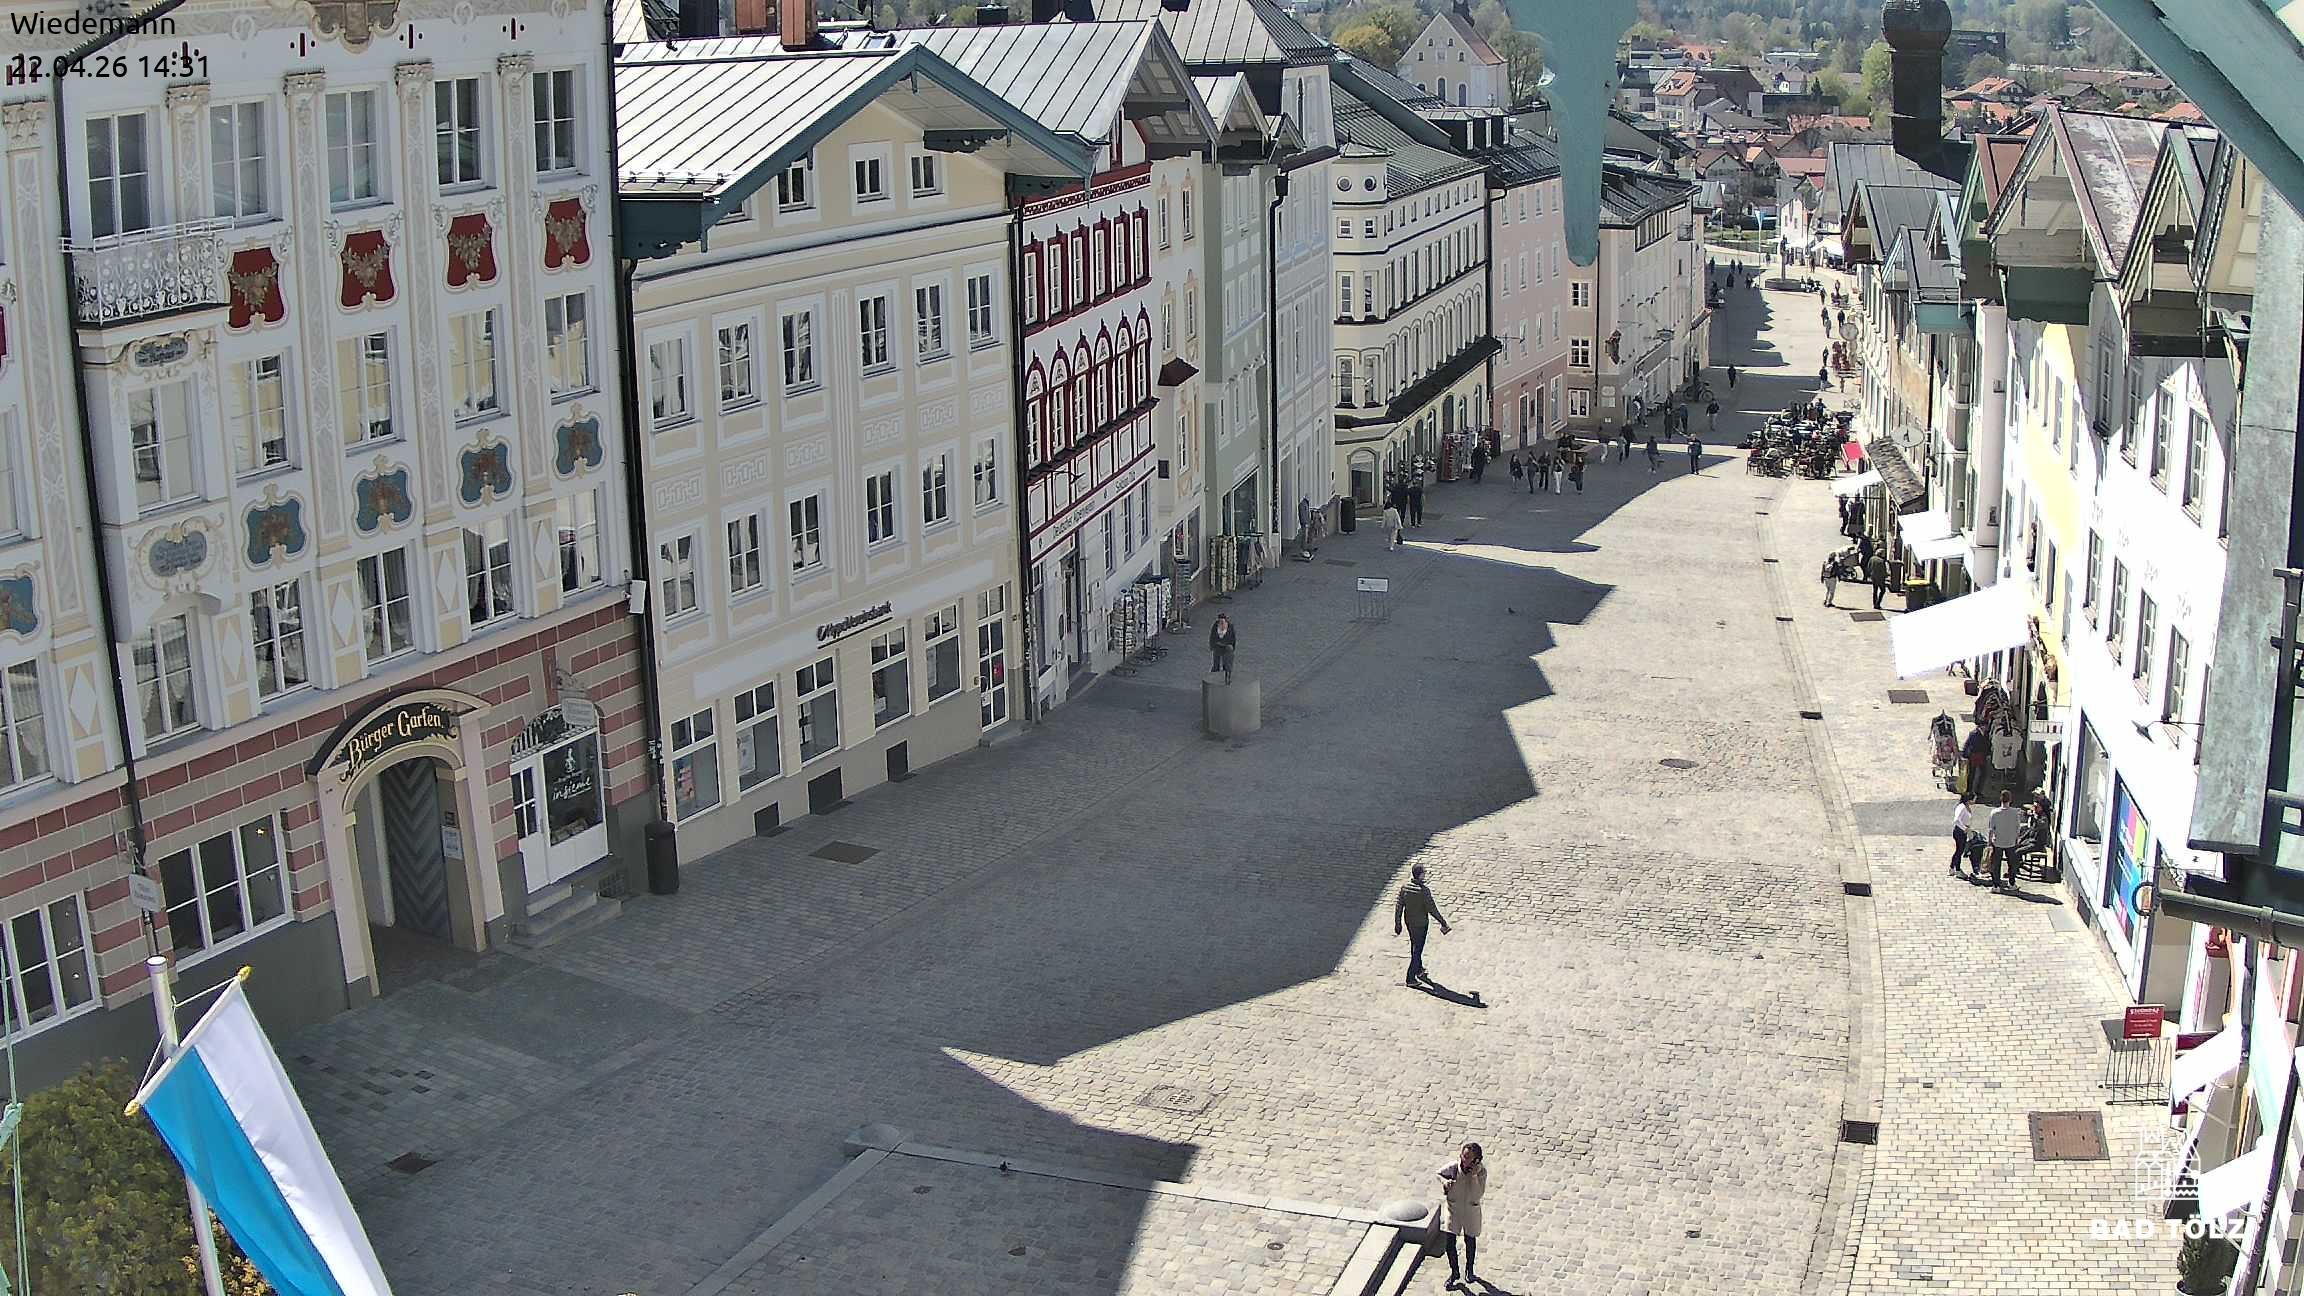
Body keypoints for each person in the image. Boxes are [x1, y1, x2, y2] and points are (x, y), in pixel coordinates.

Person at [1437, 1142, 1488, 1291]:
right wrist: (1445, 1182)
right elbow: (1438, 1173)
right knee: (1449, 1243)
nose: (1463, 1159)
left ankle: (1469, 1270)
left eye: (1468, 1158)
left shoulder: (1481, 1172)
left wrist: (1473, 1177)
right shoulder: (1454, 1167)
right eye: (1463, 1156)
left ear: (1476, 1160)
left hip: (1470, 1211)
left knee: (1470, 1240)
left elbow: (1478, 1194)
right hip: (1454, 1209)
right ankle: (1454, 1272)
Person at [1393, 863, 1452, 985]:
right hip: (1421, 924)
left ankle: (1419, 969)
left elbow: (1399, 906)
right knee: (1417, 950)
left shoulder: (1405, 887)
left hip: (1409, 922)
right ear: (1420, 875)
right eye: (1424, 873)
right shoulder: (1424, 891)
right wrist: (1443, 923)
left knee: (1414, 946)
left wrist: (1398, 923)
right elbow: (1432, 909)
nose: (1425, 875)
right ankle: (1410, 977)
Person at [1986, 790, 2023, 890]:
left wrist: (1989, 842)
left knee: (1996, 864)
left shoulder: (1994, 813)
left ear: (2000, 799)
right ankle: (2011, 883)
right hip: (2010, 842)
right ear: (2010, 800)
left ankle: (1996, 885)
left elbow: (1991, 829)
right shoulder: (2015, 813)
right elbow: (2017, 828)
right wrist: (2016, 839)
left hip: (1997, 841)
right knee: (2012, 864)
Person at [1950, 794, 1976, 878]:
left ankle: (1952, 868)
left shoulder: (1966, 806)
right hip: (1959, 832)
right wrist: (1965, 828)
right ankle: (1957, 870)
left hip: (1963, 832)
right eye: (1974, 799)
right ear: (1969, 800)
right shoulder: (1962, 807)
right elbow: (1956, 820)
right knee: (1959, 851)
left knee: (1959, 850)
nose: (1975, 801)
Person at [1208, 613, 1237, 681]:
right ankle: (1214, 676)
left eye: (1223, 622)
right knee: (1216, 663)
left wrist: (1232, 647)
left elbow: (1233, 638)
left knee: (1227, 663)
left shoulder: (1230, 627)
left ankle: (1227, 676)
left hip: (1227, 646)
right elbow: (1212, 636)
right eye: (1220, 622)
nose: (1221, 623)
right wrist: (1212, 646)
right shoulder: (1215, 626)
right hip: (1218, 646)